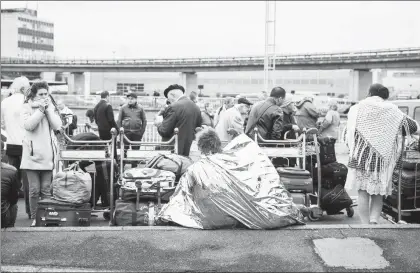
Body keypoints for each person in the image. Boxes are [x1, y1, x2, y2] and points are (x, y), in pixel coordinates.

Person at [344, 83, 419, 225]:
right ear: (385, 96)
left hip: (360, 156)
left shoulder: (356, 108)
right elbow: (412, 127)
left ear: (369, 93)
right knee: (378, 192)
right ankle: (374, 222)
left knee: (362, 192)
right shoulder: (391, 110)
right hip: (382, 158)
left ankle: (365, 224)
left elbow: (347, 134)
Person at [20, 81, 63, 227]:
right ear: (34, 94)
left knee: (46, 189)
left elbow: (57, 126)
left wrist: (48, 110)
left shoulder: (50, 107)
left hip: (47, 155)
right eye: (41, 94)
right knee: (33, 190)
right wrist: (40, 111)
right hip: (31, 155)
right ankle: (34, 217)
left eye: (46, 94)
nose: (44, 96)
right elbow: (28, 126)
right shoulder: (26, 107)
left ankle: (45, 217)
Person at [1, 76, 31, 219]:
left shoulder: (5, 102)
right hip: (25, 144)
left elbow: (2, 123)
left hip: (11, 143)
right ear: (24, 88)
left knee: (10, 178)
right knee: (27, 179)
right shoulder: (27, 101)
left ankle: (7, 209)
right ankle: (31, 211)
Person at [155, 84, 202, 156]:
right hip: (189, 149)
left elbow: (164, 131)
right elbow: (198, 128)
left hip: (173, 150)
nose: (168, 101)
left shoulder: (173, 107)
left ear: (172, 95)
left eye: (168, 98)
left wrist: (158, 122)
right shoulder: (196, 107)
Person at [117, 92, 147, 167]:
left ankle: (134, 168)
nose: (130, 100)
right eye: (128, 99)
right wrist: (120, 131)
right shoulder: (123, 108)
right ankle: (121, 168)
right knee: (124, 151)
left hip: (137, 133)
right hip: (125, 133)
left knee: (135, 152)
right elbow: (119, 120)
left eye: (132, 99)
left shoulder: (140, 108)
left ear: (136, 99)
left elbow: (144, 120)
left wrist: (141, 132)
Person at [1, 137, 21, 228]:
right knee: (13, 206)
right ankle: (10, 232)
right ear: (2, 153)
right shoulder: (11, 171)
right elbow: (14, 199)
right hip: (3, 217)